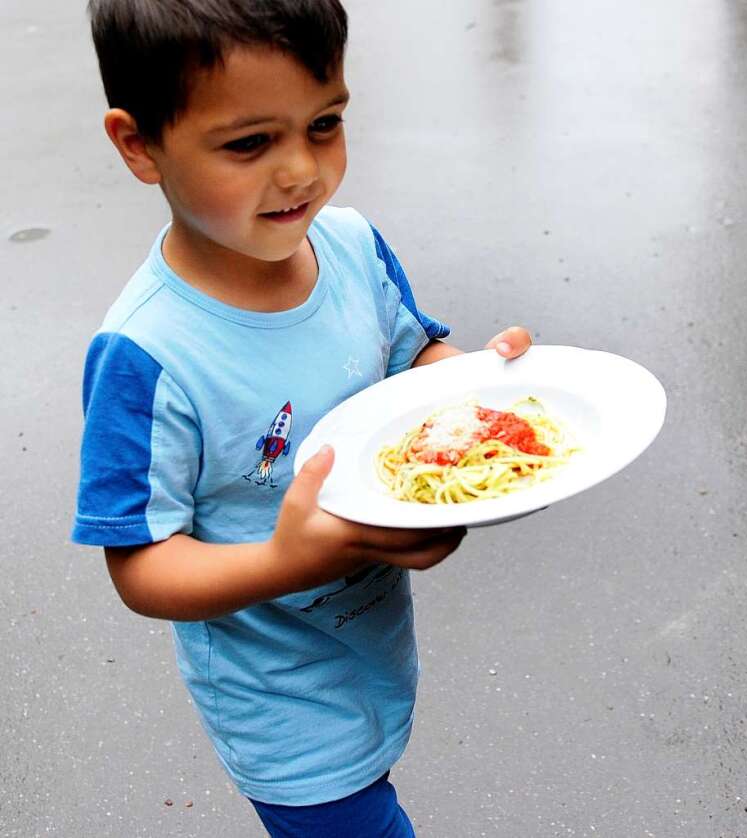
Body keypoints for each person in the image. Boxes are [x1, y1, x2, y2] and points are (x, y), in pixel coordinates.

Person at [72, 1, 531, 835]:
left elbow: (409, 361)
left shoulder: (351, 246)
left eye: (324, 124)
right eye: (249, 143)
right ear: (139, 144)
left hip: (371, 653)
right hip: (279, 703)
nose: (300, 173)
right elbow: (142, 568)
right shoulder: (147, 355)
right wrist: (292, 559)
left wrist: (488, 391)